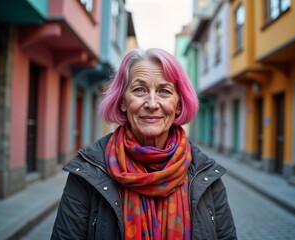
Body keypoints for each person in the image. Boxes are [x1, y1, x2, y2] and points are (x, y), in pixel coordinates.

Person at [51, 48, 237, 240]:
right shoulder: (88, 172)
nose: (152, 103)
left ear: (178, 104)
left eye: (164, 91)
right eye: (139, 90)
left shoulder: (205, 174)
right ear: (123, 101)